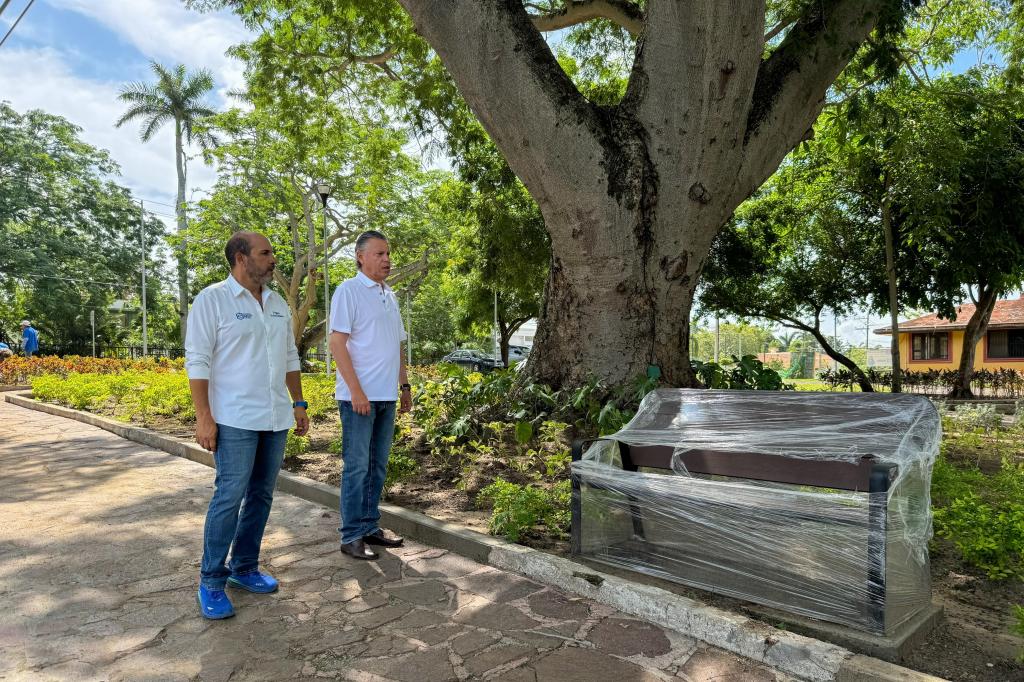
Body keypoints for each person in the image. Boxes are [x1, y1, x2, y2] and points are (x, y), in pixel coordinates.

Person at [184, 231, 309, 619]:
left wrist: (299, 403)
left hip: (275, 416)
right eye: (265, 253)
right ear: (241, 258)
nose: (273, 259)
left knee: (261, 495)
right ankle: (211, 580)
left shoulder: (277, 303)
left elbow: (289, 357)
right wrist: (204, 417)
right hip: (234, 417)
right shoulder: (213, 300)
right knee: (229, 496)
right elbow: (198, 361)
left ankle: (244, 567)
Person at [329, 230, 411, 560]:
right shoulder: (348, 291)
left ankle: (369, 527)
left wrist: (404, 387)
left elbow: (397, 346)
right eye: (379, 253)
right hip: (358, 398)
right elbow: (337, 343)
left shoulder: (389, 294)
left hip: (385, 396)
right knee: (357, 467)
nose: (387, 259)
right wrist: (356, 391)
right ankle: (351, 535)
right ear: (360, 257)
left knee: (377, 466)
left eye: (388, 253)